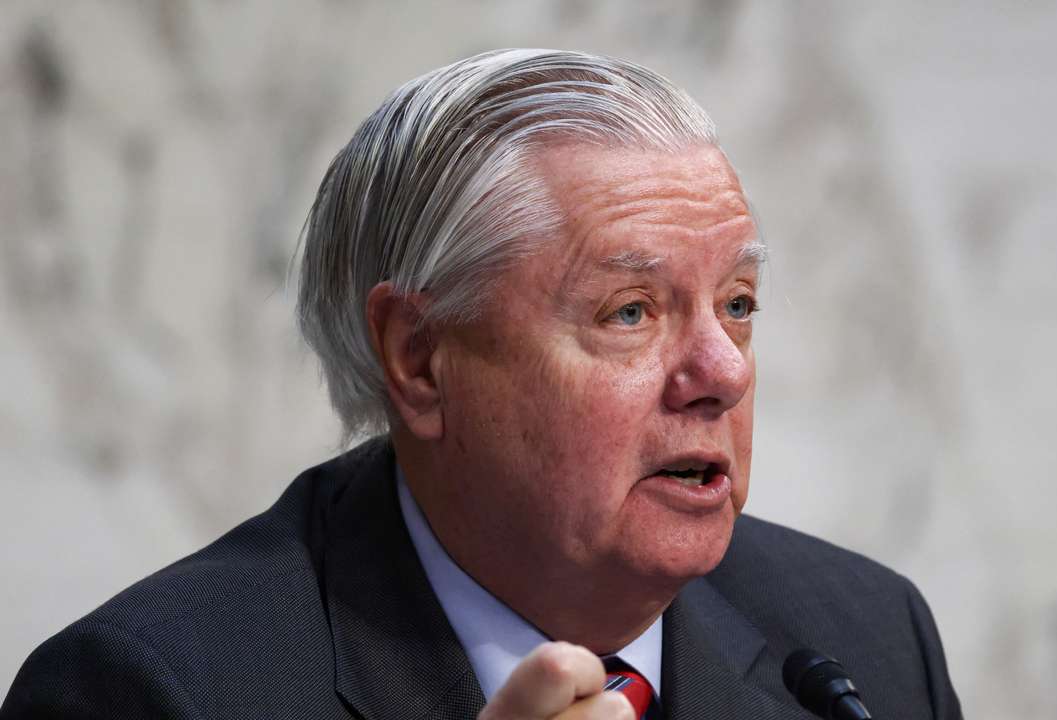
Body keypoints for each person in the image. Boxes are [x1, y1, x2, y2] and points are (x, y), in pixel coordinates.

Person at [2, 49, 963, 720]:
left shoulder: (867, 641)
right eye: (630, 312)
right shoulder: (154, 692)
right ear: (420, 360)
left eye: (739, 304)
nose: (722, 370)